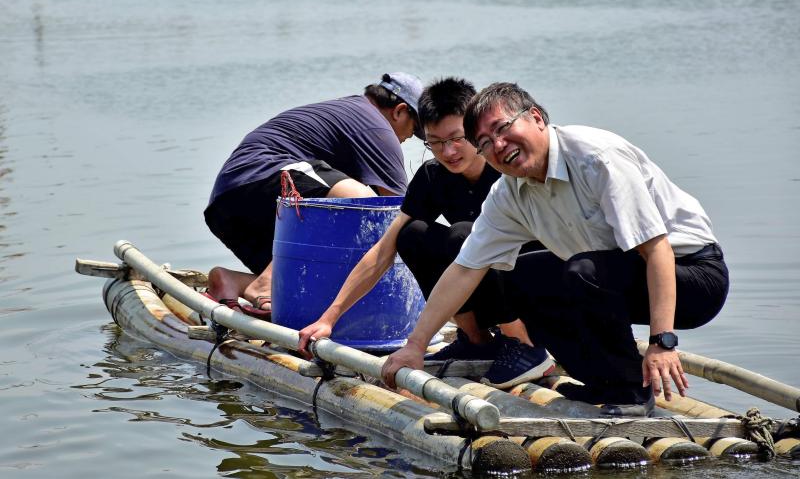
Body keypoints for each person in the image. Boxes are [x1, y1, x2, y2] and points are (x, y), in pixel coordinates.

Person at [381, 82, 729, 417]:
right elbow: (464, 269)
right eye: (485, 142)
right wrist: (415, 345)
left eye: (503, 128)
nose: (499, 145)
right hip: (616, 275)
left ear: (535, 117)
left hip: (691, 277)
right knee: (521, 275)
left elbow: (657, 250)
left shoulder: (596, 157)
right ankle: (603, 381)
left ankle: (630, 390)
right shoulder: (509, 192)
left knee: (584, 271)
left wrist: (661, 343)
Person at [298, 78, 555, 389]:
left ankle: (525, 344)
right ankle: (476, 341)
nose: (448, 152)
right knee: (412, 234)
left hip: (537, 287)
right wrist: (329, 318)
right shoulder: (433, 176)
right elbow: (384, 250)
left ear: (476, 129)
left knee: (466, 235)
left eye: (457, 138)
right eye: (435, 142)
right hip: (485, 278)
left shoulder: (507, 165)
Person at [203, 73, 424, 315]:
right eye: (413, 130)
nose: (407, 138)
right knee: (360, 201)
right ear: (400, 111)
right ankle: (266, 283)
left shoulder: (349, 112)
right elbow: (402, 210)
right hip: (262, 177)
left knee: (309, 283)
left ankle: (233, 281)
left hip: (226, 206)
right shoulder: (376, 125)